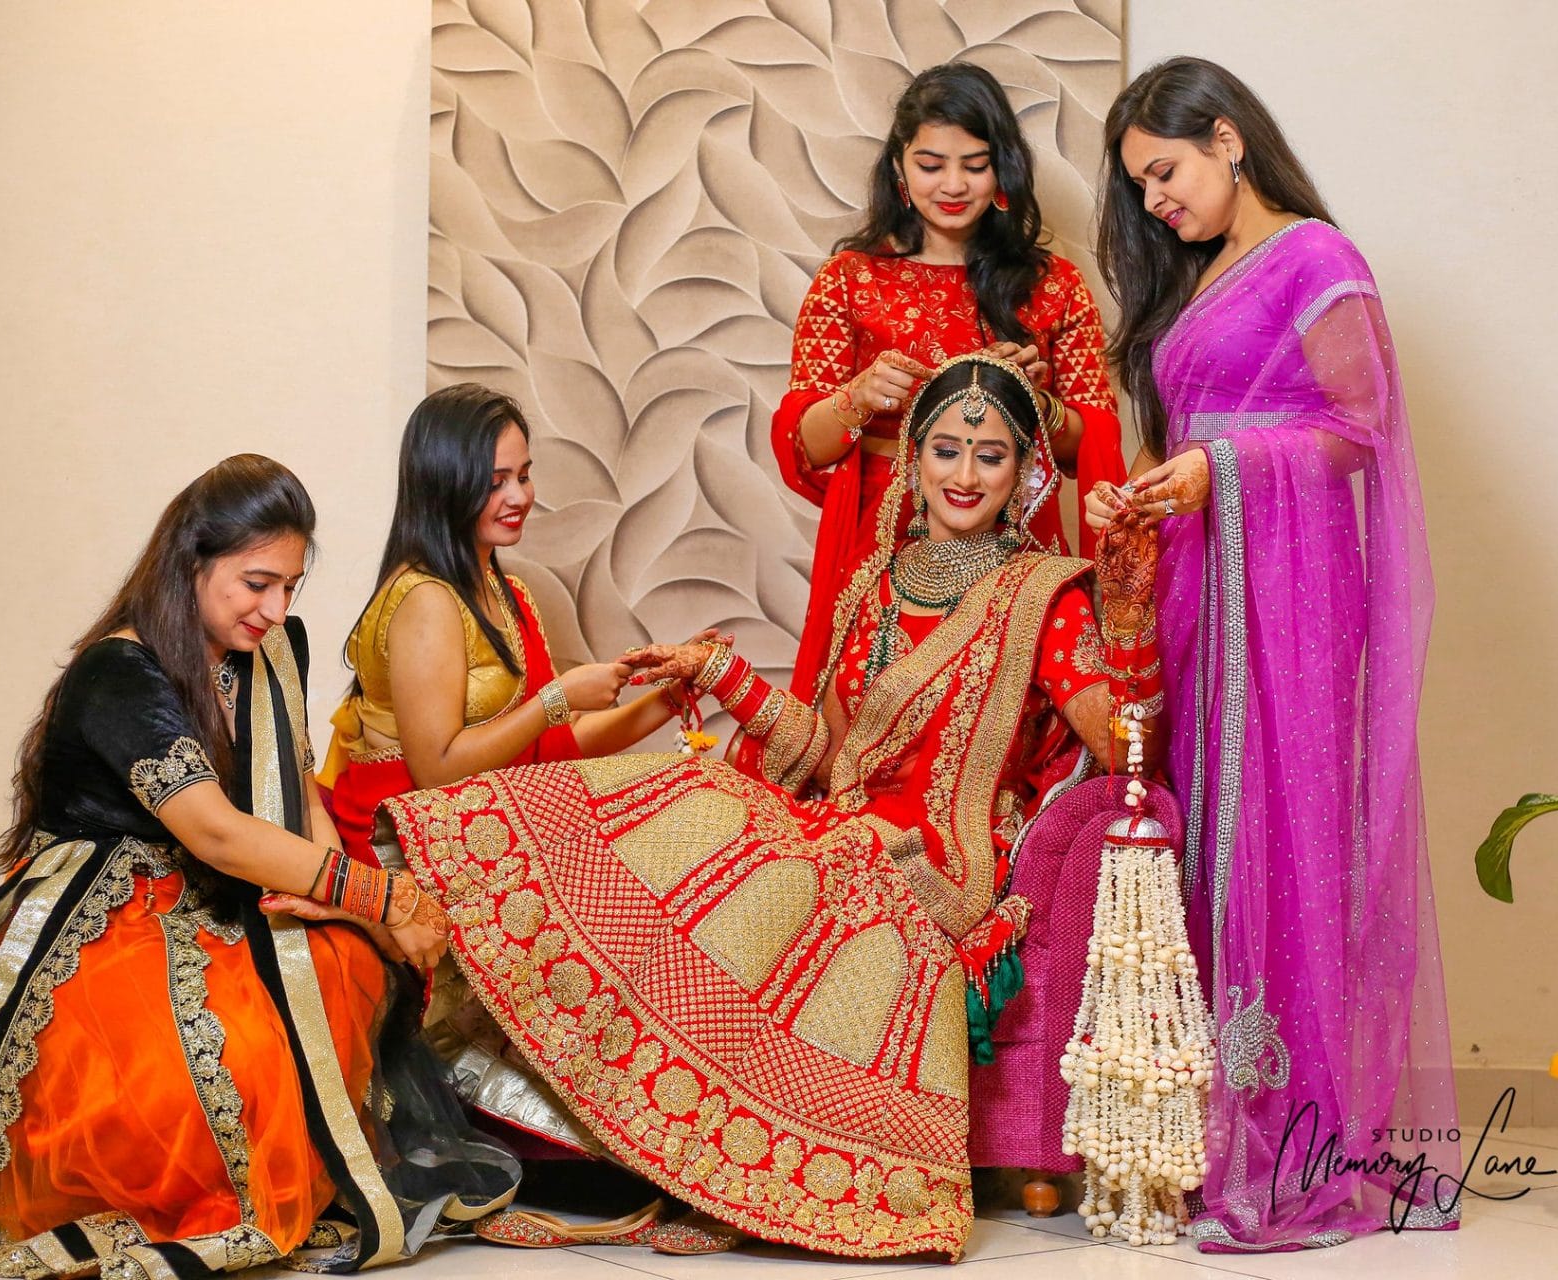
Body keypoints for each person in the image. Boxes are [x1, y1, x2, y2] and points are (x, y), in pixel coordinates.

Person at [378, 354, 1133, 1260]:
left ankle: (752, 1171)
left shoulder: (1044, 596)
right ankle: (692, 1155)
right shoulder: (876, 589)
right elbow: (826, 751)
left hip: (936, 858)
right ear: (914, 461)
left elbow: (1127, 747)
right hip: (846, 821)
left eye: (991, 456)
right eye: (945, 450)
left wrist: (1126, 602)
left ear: (1026, 472)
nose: (964, 476)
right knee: (695, 799)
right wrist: (721, 674)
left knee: (803, 889)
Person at [0, 456, 518, 1278]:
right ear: (191, 562)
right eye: (255, 583)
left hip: (217, 899)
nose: (275, 609)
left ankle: (290, 1180)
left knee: (341, 964)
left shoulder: (273, 648)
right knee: (213, 1055)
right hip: (99, 920)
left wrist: (358, 908)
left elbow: (299, 787)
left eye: (291, 586)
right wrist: (378, 891)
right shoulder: (118, 671)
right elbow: (214, 831)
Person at [1086, 56, 1459, 1251]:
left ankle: (1291, 1148)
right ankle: (1213, 1133)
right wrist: (1162, 493)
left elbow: (1357, 430)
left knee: (1280, 832)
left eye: (1166, 171)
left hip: (1290, 593)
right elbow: (1204, 426)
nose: (1155, 203)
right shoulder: (1210, 277)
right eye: (1141, 185)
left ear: (1229, 139)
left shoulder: (1317, 261)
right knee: (1210, 829)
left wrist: (1219, 469)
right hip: (1210, 580)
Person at [771, 61, 1124, 701]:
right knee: (865, 717)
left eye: (975, 164)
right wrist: (856, 399)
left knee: (1004, 718)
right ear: (900, 170)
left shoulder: (1054, 286)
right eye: (931, 165)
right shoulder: (849, 281)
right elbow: (803, 449)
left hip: (1013, 536)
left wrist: (1035, 405)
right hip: (881, 540)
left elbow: (1089, 445)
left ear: (1004, 170)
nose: (953, 185)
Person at [319, 383, 709, 864]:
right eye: (495, 481)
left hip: (484, 827)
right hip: (407, 845)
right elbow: (436, 771)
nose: (518, 496)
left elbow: (550, 746)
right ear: (446, 483)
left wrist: (668, 696)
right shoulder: (425, 597)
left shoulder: (510, 592)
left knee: (687, 813)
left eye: (523, 476)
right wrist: (558, 698)